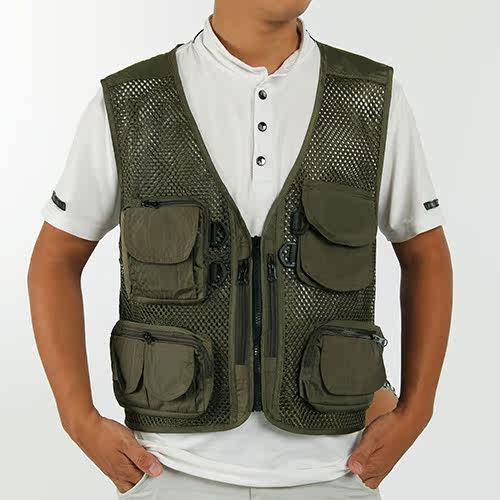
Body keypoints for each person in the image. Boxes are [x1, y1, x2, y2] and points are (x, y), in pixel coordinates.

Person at [27, 1, 453, 499]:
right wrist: (77, 418)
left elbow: (426, 255)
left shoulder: (371, 98)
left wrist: (417, 409)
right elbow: (54, 261)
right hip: (169, 470)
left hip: (336, 471)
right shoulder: (131, 102)